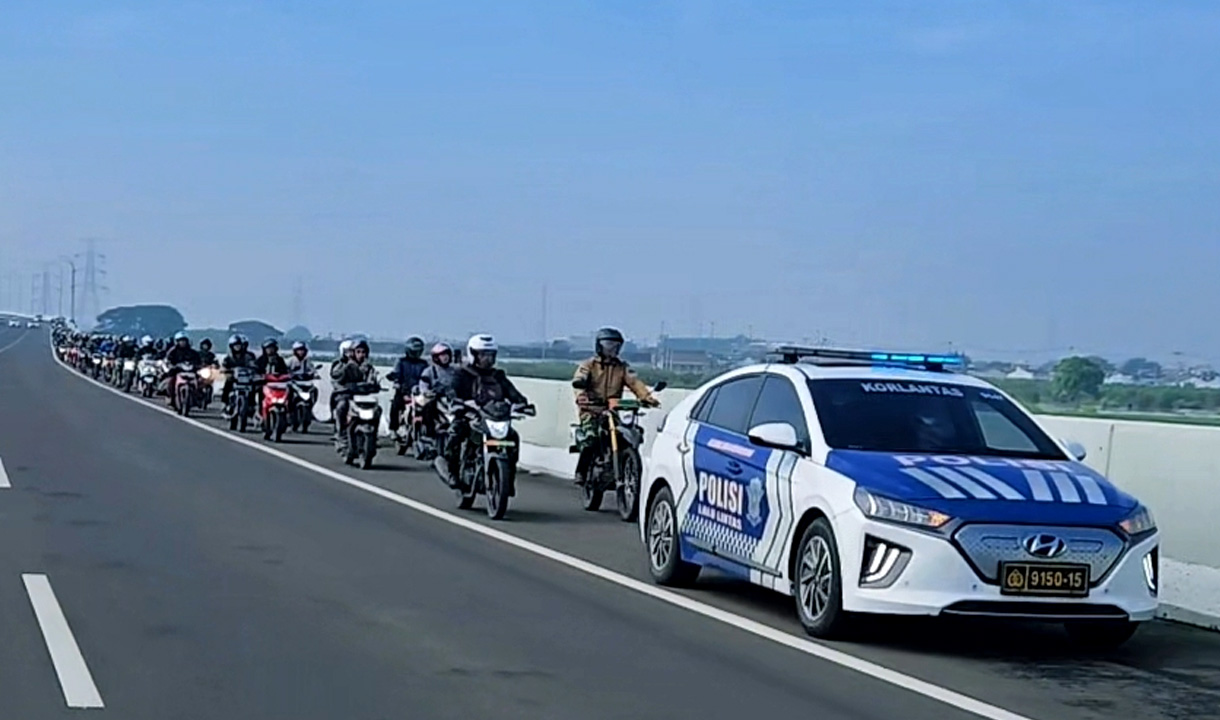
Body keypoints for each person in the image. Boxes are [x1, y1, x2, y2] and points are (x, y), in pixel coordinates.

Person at [438, 334, 530, 487]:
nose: (487, 359)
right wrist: (459, 402)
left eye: (490, 355)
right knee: (456, 432)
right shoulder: (462, 373)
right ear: (473, 355)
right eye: (483, 355)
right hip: (470, 416)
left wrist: (522, 404)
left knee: (513, 437)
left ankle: (509, 479)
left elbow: (513, 393)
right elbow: (451, 391)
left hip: (494, 417)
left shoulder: (498, 375)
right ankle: (452, 472)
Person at [571, 327, 660, 479]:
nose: (612, 348)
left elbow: (635, 382)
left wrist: (646, 397)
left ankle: (623, 464)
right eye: (608, 344)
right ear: (599, 346)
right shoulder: (588, 365)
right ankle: (581, 471)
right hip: (592, 410)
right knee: (590, 438)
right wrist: (582, 395)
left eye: (615, 345)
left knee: (629, 433)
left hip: (613, 410)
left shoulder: (622, 367)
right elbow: (579, 380)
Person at [330, 339, 379, 454]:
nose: (361, 355)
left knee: (378, 410)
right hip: (346, 395)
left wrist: (374, 385)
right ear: (352, 353)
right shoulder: (343, 365)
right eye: (359, 351)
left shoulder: (369, 367)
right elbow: (336, 377)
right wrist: (345, 375)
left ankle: (373, 437)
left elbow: (373, 380)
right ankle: (341, 435)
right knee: (342, 406)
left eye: (364, 352)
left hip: (363, 397)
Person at [387, 336, 428, 436]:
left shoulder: (424, 364)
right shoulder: (401, 362)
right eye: (414, 351)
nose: (416, 353)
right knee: (395, 405)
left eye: (418, 351)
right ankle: (393, 428)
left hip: (419, 392)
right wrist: (396, 382)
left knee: (428, 407)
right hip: (403, 391)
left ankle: (429, 430)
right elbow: (396, 373)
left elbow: (428, 375)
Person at [416, 342, 457, 437]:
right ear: (436, 357)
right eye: (442, 355)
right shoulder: (429, 371)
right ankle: (429, 429)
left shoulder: (455, 371)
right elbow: (423, 384)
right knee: (428, 406)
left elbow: (461, 384)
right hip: (434, 398)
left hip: (451, 399)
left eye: (446, 355)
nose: (445, 357)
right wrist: (427, 392)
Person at [161, 332, 203, 407]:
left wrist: (199, 366)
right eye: (181, 341)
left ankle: (198, 398)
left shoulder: (193, 352)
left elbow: (199, 361)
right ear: (177, 342)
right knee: (170, 381)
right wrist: (171, 365)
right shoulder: (173, 351)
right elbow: (168, 360)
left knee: (200, 382)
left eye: (184, 341)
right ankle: (170, 396)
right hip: (177, 371)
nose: (182, 343)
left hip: (190, 372)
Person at [220, 334, 257, 404]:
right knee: (228, 384)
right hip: (234, 378)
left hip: (245, 378)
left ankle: (252, 404)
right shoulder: (229, 358)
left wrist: (253, 369)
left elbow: (253, 364)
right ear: (231, 346)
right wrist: (225, 371)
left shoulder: (248, 356)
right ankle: (225, 402)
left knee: (252, 387)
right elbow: (224, 366)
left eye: (239, 345)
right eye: (235, 345)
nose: (237, 347)